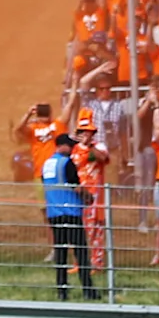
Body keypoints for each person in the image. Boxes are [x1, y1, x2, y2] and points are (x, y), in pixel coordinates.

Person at [40, 127, 92, 299]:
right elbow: (75, 186)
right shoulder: (66, 162)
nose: (71, 149)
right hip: (70, 211)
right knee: (81, 252)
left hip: (54, 213)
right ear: (61, 146)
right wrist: (88, 196)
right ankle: (88, 291)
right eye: (69, 146)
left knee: (60, 252)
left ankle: (62, 290)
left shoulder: (46, 164)